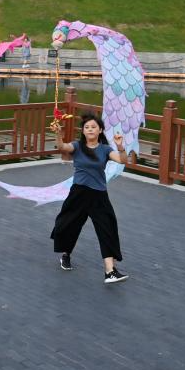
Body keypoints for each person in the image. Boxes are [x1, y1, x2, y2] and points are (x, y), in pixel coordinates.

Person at [50, 113, 130, 284]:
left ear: (100, 130)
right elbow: (62, 147)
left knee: (107, 228)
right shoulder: (77, 146)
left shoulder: (105, 150)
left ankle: (110, 271)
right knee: (69, 224)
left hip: (98, 195)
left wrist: (120, 146)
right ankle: (66, 254)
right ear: (84, 131)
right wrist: (58, 133)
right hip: (78, 193)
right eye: (87, 127)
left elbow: (122, 160)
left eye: (93, 127)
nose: (90, 129)